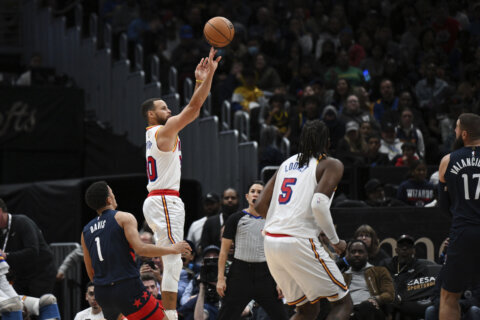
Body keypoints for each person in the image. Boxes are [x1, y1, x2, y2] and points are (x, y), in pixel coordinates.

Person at [141, 47, 221, 320]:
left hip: (161, 199)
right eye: (163, 107)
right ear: (151, 115)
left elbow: (192, 108)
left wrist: (203, 79)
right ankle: (171, 315)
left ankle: (167, 311)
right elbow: (194, 108)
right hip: (164, 199)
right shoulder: (163, 132)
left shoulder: (157, 134)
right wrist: (206, 78)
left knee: (171, 256)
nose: (169, 109)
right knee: (174, 258)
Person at [255, 119, 353, 320]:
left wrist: (285, 221)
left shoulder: (286, 164)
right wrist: (336, 242)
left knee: (307, 310)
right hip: (299, 240)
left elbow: (259, 206)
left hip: (272, 241)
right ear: (327, 142)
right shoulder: (331, 164)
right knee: (343, 303)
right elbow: (318, 204)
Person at [81, 181, 191, 320]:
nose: (114, 195)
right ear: (109, 199)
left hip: (103, 293)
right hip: (127, 288)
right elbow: (142, 249)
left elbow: (90, 271)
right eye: (112, 192)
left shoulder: (85, 231)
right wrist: (172, 249)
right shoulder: (123, 217)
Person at [216, 181, 288, 320]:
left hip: (266, 274)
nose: (256, 194)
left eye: (260, 192)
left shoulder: (273, 220)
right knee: (225, 316)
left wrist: (281, 281)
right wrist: (220, 279)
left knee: (281, 316)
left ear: (267, 196)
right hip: (240, 274)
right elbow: (223, 252)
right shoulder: (235, 219)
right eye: (253, 191)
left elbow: (279, 252)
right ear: (247, 196)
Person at [438, 113, 480, 320]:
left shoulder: (448, 160)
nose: (454, 131)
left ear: (463, 133)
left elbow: (443, 206)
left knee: (448, 296)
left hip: (463, 231)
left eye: (456, 128)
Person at [0, 199, 56, 298]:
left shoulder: (22, 222)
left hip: (41, 273)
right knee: (18, 306)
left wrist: (6, 256)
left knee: (39, 306)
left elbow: (32, 251)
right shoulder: (2, 231)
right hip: (21, 275)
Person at [342, 240, 394, 320]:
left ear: (367, 255)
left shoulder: (380, 271)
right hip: (350, 312)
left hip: (372, 309)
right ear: (348, 255)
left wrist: (376, 299)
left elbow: (389, 294)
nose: (356, 254)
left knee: (366, 306)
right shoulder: (342, 276)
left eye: (360, 251)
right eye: (353, 252)